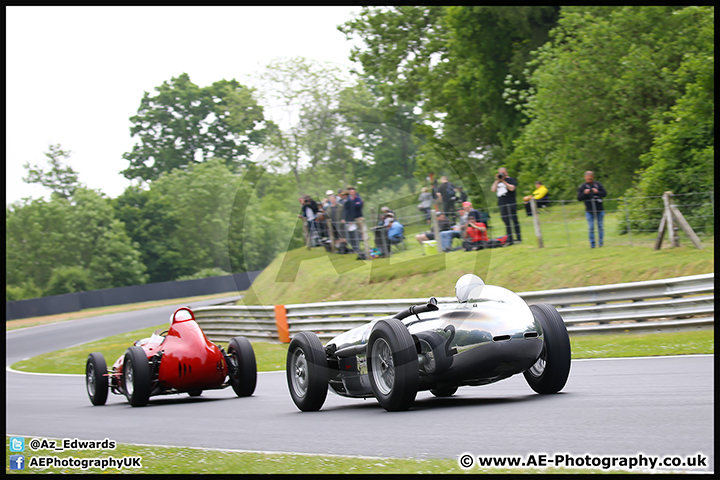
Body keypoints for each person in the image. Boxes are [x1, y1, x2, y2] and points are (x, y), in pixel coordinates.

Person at [491, 167, 521, 245]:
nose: (502, 174)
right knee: (506, 221)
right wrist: (497, 180)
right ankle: (510, 239)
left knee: (514, 220)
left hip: (511, 202)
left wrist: (504, 181)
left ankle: (518, 238)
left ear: (506, 173)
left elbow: (512, 188)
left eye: (503, 173)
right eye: (500, 173)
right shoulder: (497, 182)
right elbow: (493, 189)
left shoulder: (511, 180)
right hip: (502, 203)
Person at [577, 171, 607, 248]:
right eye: (588, 179)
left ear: (593, 177)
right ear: (585, 178)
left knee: (600, 226)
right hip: (589, 210)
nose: (589, 180)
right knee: (591, 227)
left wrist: (597, 192)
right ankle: (592, 244)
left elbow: (604, 193)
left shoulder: (598, 184)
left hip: (599, 209)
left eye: (590, 178)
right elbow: (579, 198)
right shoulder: (582, 187)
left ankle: (600, 243)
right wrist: (585, 193)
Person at [343, 186, 365, 259]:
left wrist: (351, 219)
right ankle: (358, 250)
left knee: (362, 233)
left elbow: (359, 205)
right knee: (355, 235)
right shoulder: (348, 200)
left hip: (358, 218)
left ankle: (364, 249)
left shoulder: (357, 198)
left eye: (352, 192)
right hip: (352, 220)